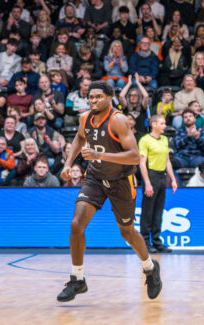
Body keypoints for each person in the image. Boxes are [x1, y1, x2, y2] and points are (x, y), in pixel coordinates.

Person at [57, 80, 162, 303]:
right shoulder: (85, 117)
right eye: (90, 97)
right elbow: (79, 137)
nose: (93, 100)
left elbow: (134, 156)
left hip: (121, 181)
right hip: (95, 177)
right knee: (76, 224)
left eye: (98, 97)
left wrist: (100, 155)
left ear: (109, 97)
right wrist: (68, 164)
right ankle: (77, 279)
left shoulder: (118, 120)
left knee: (127, 232)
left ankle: (150, 268)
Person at [138, 115, 177, 254]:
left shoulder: (165, 139)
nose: (164, 126)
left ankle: (156, 241)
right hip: (151, 175)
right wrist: (147, 183)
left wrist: (172, 179)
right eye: (162, 123)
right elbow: (142, 163)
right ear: (153, 124)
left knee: (158, 211)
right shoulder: (145, 140)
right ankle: (144, 242)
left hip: (162, 176)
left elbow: (167, 161)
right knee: (148, 211)